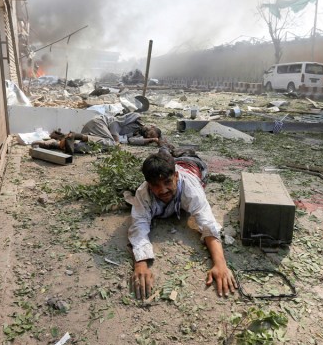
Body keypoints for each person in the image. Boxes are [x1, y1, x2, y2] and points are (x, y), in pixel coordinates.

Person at [128, 149, 237, 299]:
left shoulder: (190, 188)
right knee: (169, 155)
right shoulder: (143, 192)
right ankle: (169, 152)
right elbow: (138, 226)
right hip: (176, 165)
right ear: (148, 184)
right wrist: (140, 264)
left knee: (188, 155)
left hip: (192, 165)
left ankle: (179, 152)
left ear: (176, 177)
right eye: (156, 185)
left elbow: (207, 224)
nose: (163, 190)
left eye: (168, 182)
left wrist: (220, 264)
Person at [32, 112, 164, 154]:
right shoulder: (136, 117)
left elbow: (131, 141)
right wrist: (117, 140)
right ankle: (74, 135)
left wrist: (151, 141)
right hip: (99, 123)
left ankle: (54, 143)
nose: (148, 135)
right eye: (151, 133)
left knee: (95, 148)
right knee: (111, 144)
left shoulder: (136, 133)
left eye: (149, 137)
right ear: (152, 126)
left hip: (95, 133)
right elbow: (114, 124)